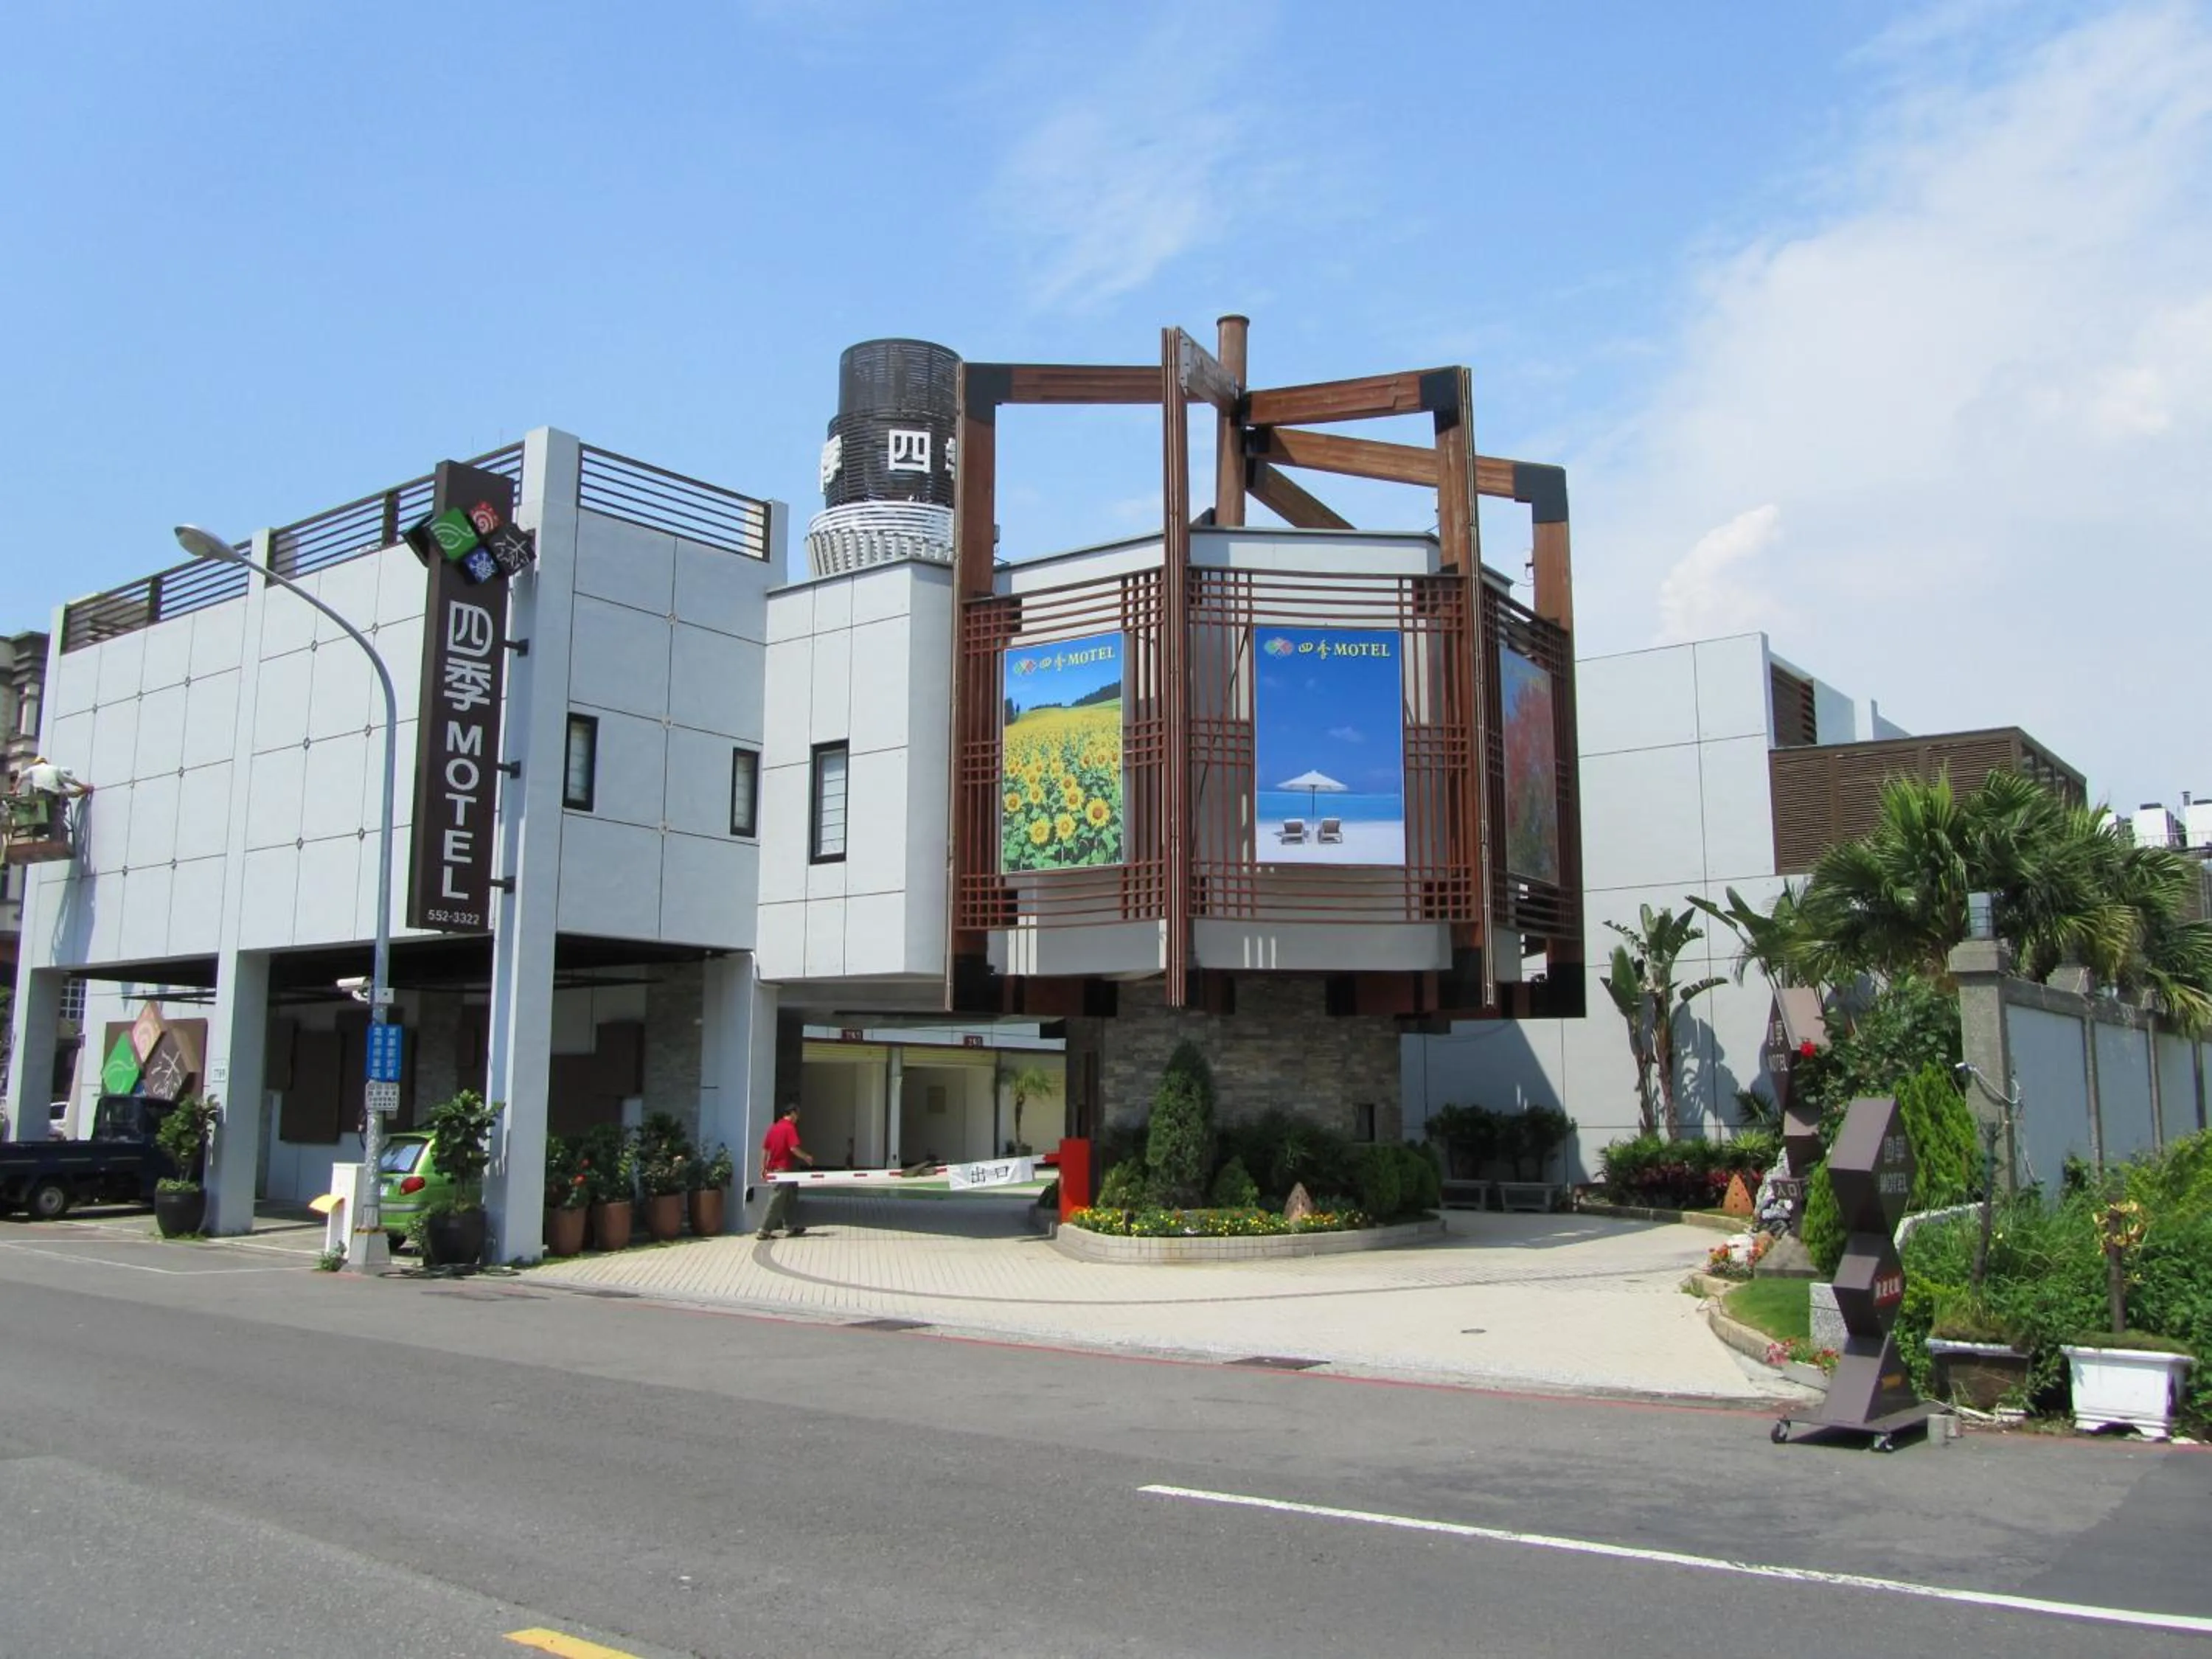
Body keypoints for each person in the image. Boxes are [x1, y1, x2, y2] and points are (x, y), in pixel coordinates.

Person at [757, 1102, 814, 1239]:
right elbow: (793, 1148)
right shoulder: (789, 1128)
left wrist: (763, 1167)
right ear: (793, 1113)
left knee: (791, 1196)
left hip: (779, 1169)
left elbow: (765, 1149)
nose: (798, 1118)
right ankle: (764, 1229)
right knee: (777, 1198)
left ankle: (790, 1226)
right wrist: (806, 1157)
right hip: (783, 1170)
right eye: (797, 1114)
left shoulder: (774, 1128)